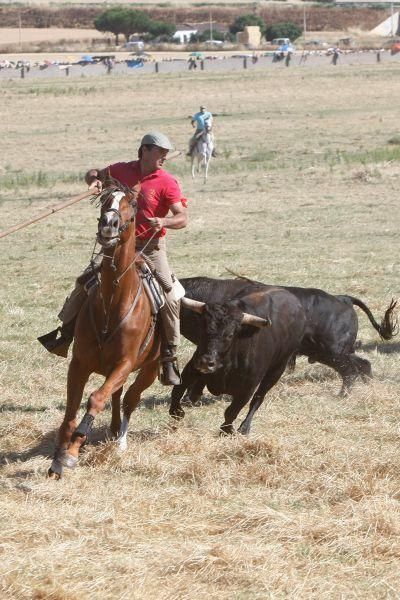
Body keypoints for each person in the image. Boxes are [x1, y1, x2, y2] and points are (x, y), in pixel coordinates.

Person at [39, 132, 188, 386]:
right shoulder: (120, 170)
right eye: (160, 151)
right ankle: (65, 334)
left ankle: (169, 355)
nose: (164, 156)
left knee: (171, 296)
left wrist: (164, 221)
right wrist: (95, 180)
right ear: (145, 150)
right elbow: (94, 173)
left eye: (166, 152)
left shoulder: (167, 182)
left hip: (150, 247)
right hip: (116, 246)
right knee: (85, 281)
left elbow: (182, 217)